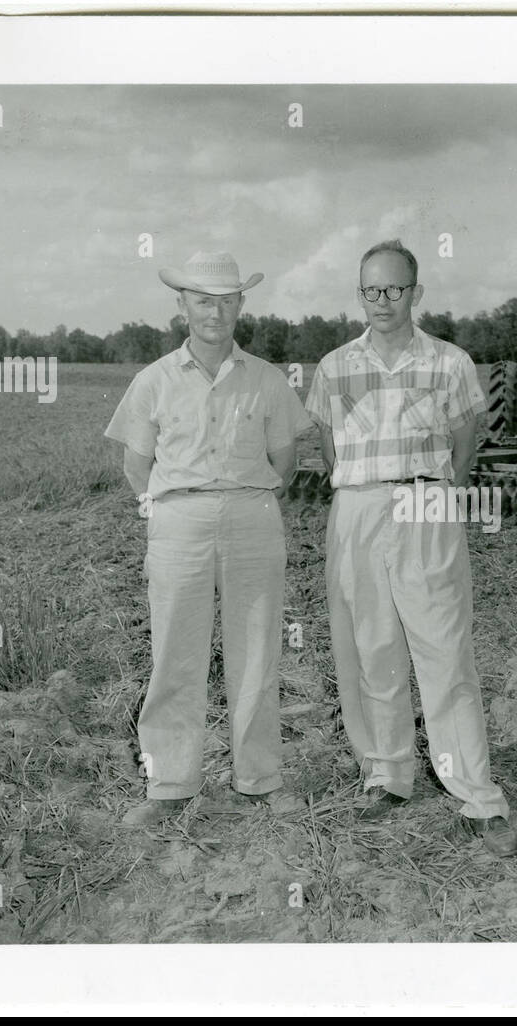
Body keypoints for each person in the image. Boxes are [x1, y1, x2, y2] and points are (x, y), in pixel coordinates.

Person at [304, 239, 517, 858]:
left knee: (445, 653)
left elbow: (464, 439)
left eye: (393, 289)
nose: (382, 300)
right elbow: (329, 449)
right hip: (359, 509)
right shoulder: (334, 367)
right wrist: (367, 492)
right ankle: (389, 774)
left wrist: (436, 495)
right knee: (371, 649)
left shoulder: (451, 363)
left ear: (416, 294)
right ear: (359, 294)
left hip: (426, 504)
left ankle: (478, 794)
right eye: (371, 290)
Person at [105, 249, 313, 827]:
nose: (215, 312)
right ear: (182, 306)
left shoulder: (268, 379)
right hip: (178, 524)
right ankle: (168, 784)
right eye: (203, 300)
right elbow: (135, 465)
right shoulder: (154, 380)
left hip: (252, 517)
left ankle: (260, 779)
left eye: (226, 300)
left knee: (257, 652)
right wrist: (179, 509)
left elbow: (287, 459)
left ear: (241, 304)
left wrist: (238, 497)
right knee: (174, 653)